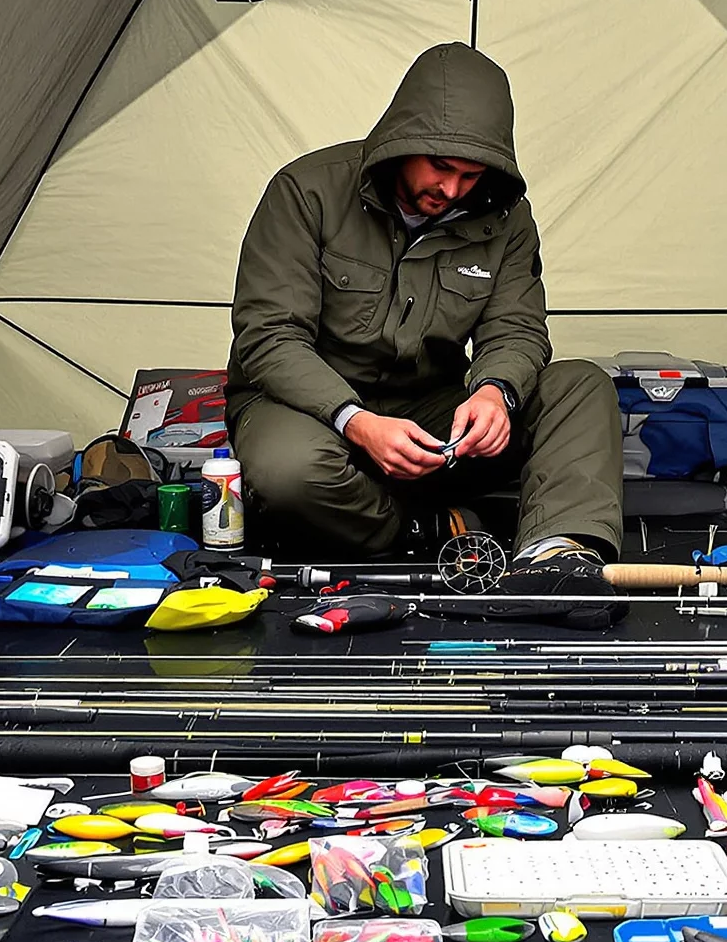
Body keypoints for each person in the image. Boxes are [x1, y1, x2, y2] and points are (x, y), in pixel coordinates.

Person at [226, 42, 623, 564]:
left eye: (471, 176)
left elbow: (517, 330)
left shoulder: (506, 218)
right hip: (307, 410)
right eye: (440, 166)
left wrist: (494, 393)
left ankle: (557, 555)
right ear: (400, 141)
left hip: (431, 411)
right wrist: (355, 419)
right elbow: (269, 336)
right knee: (288, 472)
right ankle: (422, 530)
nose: (452, 189)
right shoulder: (306, 191)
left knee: (581, 386)